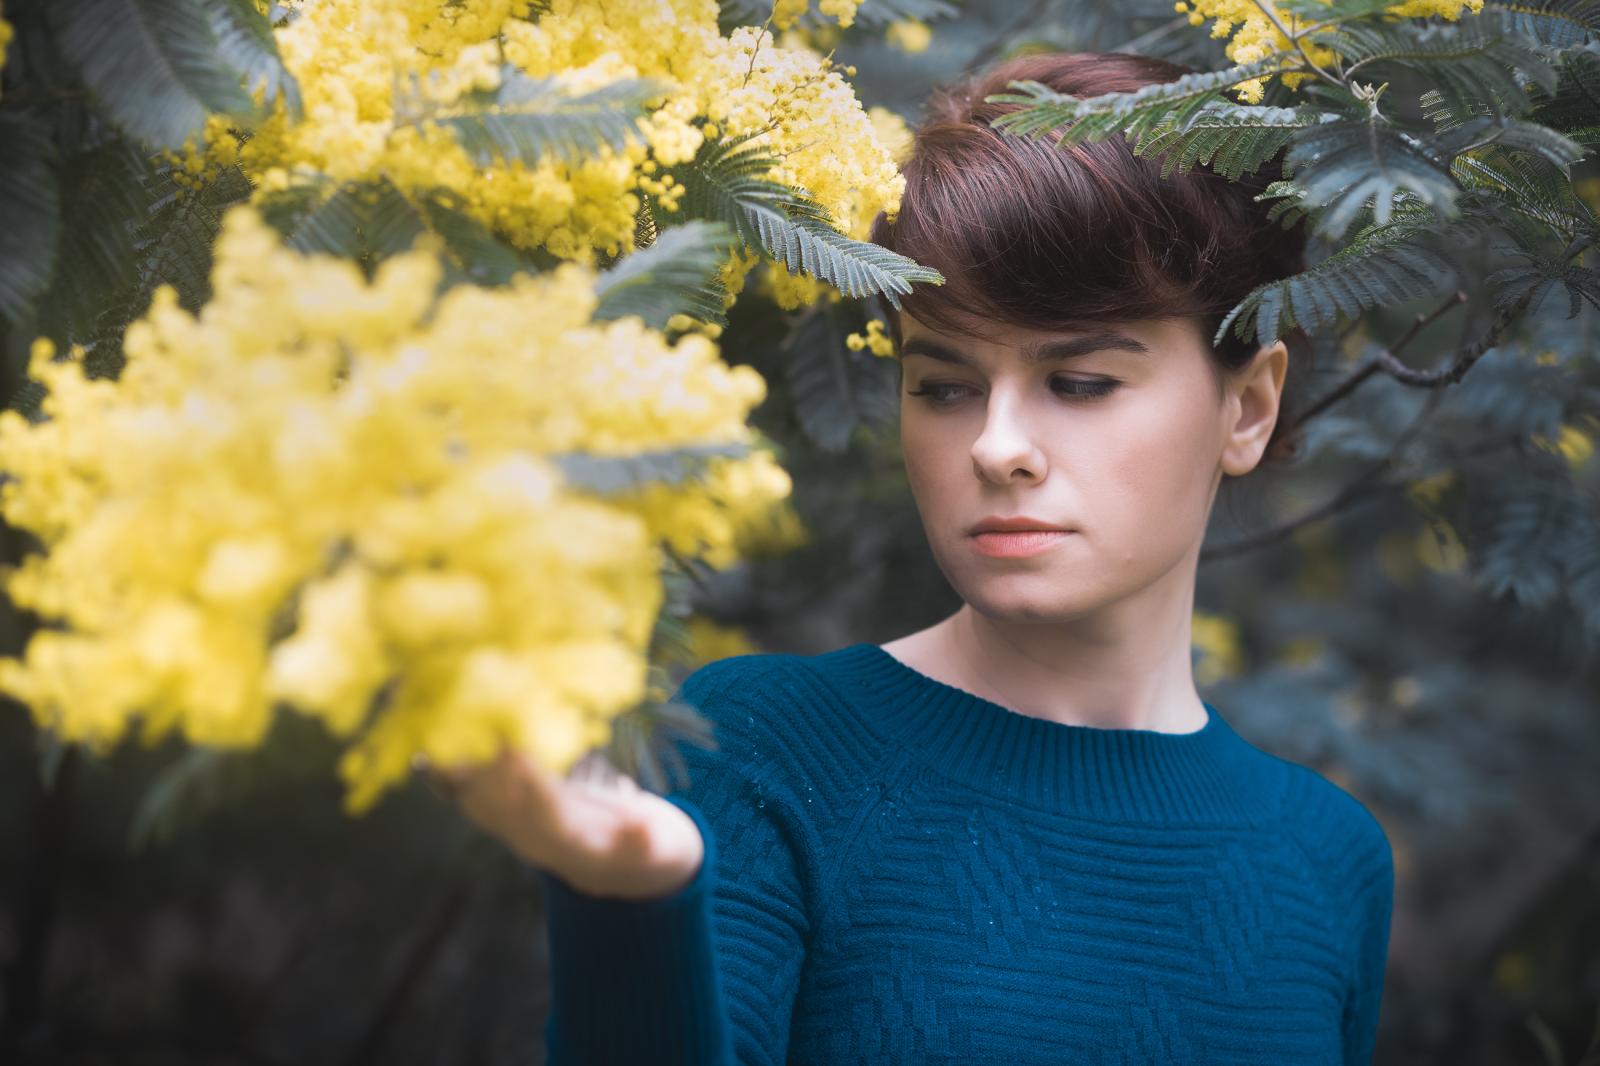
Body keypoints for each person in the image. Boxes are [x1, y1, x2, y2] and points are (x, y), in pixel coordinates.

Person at [419, 50, 1396, 1066]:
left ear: (1247, 405)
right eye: (943, 386)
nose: (995, 444)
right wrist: (633, 902)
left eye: (1080, 381)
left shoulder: (1330, 860)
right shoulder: (761, 753)